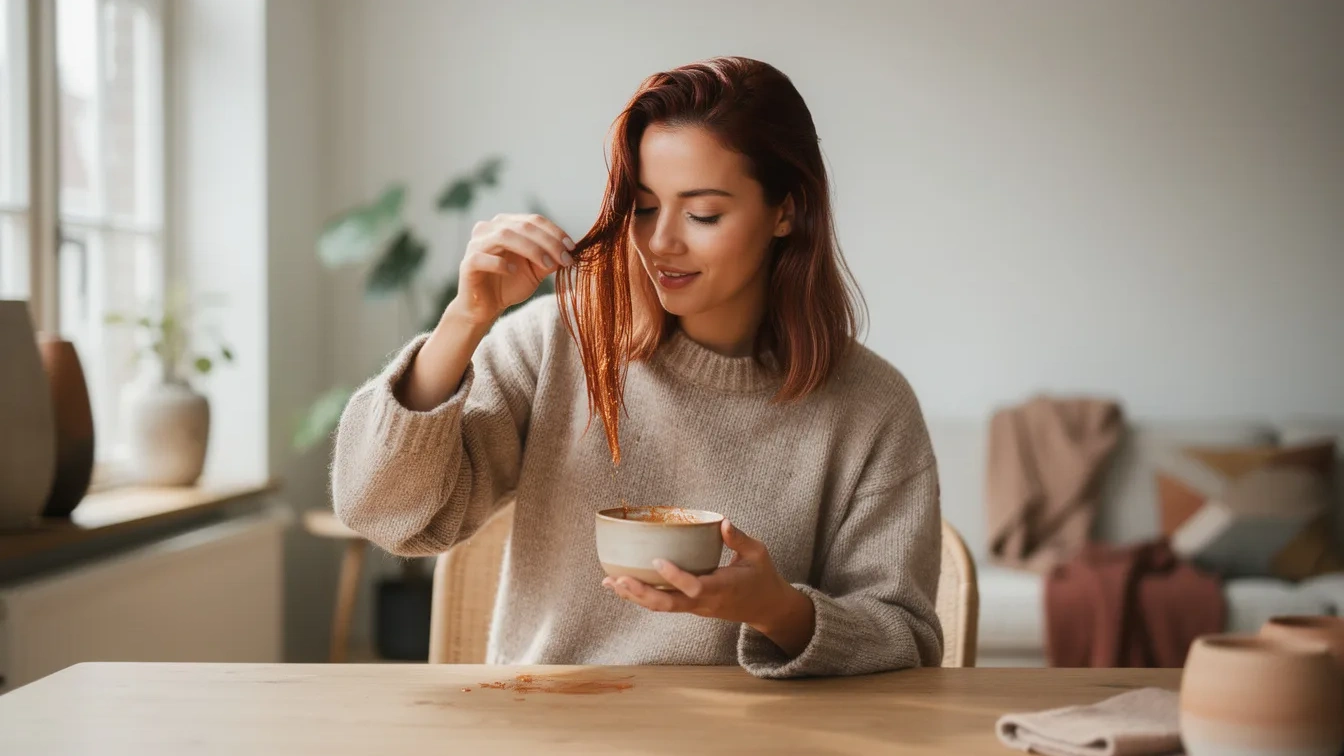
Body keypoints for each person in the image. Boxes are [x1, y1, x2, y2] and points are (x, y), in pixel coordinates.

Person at [331, 56, 943, 678]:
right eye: (645, 208)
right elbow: (381, 514)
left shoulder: (870, 404)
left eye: (703, 214)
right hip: (555, 728)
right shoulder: (557, 348)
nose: (660, 242)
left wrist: (778, 610)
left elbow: (908, 637)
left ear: (786, 212)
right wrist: (465, 318)